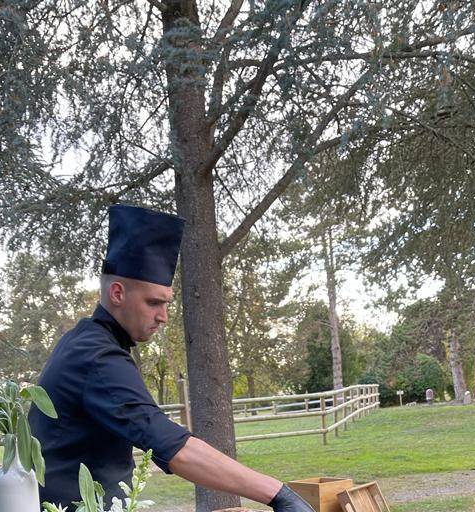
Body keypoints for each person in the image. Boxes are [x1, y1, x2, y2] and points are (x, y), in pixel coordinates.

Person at [29, 204, 312, 512]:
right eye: (153, 303)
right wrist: (279, 495)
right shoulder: (95, 356)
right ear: (118, 293)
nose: (163, 316)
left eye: (166, 304)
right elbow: (172, 447)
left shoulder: (89, 341)